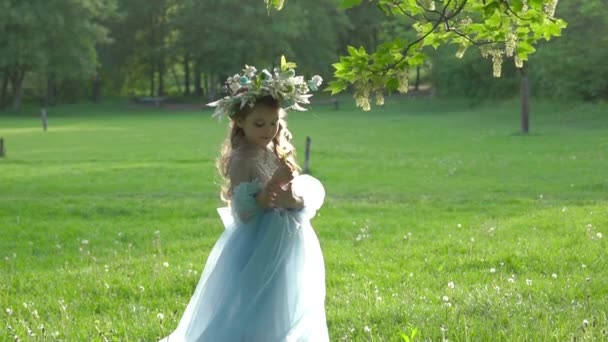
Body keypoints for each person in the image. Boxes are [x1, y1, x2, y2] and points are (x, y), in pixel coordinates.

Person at [159, 58, 328, 342]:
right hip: (259, 241)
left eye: (274, 123)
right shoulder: (241, 160)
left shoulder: (273, 149)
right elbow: (246, 211)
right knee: (258, 301)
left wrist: (289, 191)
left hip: (288, 237)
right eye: (260, 123)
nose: (269, 130)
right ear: (240, 121)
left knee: (288, 295)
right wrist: (274, 185)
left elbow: (289, 196)